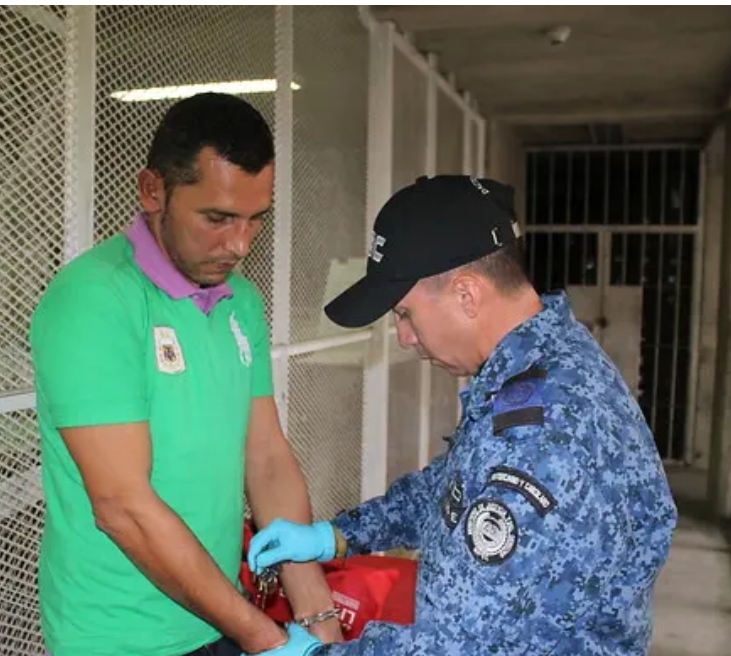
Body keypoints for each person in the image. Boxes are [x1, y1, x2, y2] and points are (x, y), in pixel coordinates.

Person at [245, 175, 679, 656]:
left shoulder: (543, 432)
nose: (405, 338)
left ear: (467, 295)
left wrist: (316, 655)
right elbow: (456, 487)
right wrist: (340, 536)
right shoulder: (547, 364)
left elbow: (459, 646)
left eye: (405, 314)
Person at [29, 93, 342, 656]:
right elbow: (123, 506)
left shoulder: (241, 301)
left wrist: (317, 617)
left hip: (219, 616)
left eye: (255, 220)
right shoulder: (94, 301)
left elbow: (266, 458)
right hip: (119, 639)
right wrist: (265, 639)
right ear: (153, 191)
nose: (239, 244)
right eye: (217, 218)